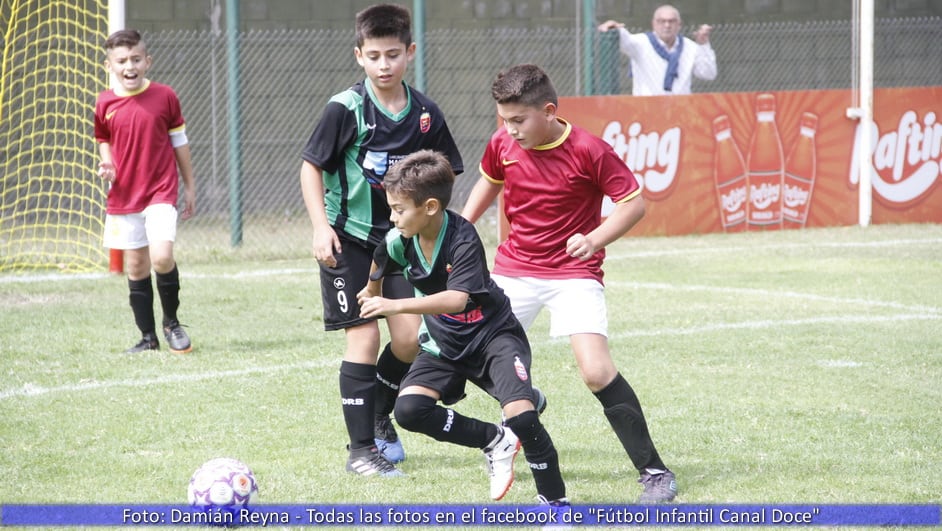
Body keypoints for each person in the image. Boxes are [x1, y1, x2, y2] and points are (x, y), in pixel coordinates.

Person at [461, 64, 677, 503]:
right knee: (462, 351)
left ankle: (654, 471)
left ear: (549, 111)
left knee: (596, 371)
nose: (510, 130)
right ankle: (525, 399)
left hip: (573, 274)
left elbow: (633, 205)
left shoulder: (589, 150)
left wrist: (594, 239)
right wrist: (459, 232)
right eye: (504, 120)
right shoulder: (502, 142)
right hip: (514, 269)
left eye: (519, 120)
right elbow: (489, 182)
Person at [299, 4, 463, 476]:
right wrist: (319, 227)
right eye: (374, 56)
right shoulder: (345, 108)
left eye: (393, 54)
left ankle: (378, 415)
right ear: (359, 56)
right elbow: (311, 166)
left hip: (398, 245)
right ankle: (360, 450)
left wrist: (434, 235)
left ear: (410, 52)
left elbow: (444, 174)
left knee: (409, 339)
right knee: (365, 338)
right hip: (347, 241)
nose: (384, 64)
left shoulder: (427, 113)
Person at [357, 149, 568, 505]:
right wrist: (372, 288)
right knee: (409, 410)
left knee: (523, 418)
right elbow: (380, 258)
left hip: (493, 338)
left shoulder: (463, 237)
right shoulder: (400, 240)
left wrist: (394, 304)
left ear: (430, 207)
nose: (392, 218)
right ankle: (494, 441)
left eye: (398, 209)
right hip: (445, 344)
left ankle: (556, 505)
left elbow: (456, 300)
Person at [94, 29, 196, 355]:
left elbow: (179, 142)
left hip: (160, 190)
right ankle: (148, 337)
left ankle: (172, 323)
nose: (130, 66)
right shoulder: (104, 102)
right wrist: (107, 164)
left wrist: (190, 185)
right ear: (110, 65)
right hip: (124, 195)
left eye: (136, 58)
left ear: (147, 61)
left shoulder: (165, 96)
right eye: (122, 60)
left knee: (162, 256)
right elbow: (103, 139)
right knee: (136, 267)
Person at [597, 4, 716, 96]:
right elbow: (625, 39)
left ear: (679, 24)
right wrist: (614, 29)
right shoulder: (641, 43)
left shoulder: (690, 47)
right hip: (648, 108)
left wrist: (703, 45)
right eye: (662, 21)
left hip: (680, 109)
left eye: (671, 21)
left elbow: (708, 74)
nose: (667, 25)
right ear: (654, 24)